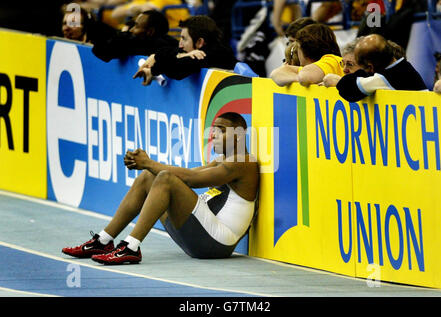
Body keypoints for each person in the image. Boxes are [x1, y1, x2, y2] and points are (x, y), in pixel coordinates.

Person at [62, 112, 259, 264]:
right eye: (214, 129)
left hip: (216, 245)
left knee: (163, 177)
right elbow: (186, 174)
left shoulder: (243, 162)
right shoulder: (224, 161)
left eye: (221, 130)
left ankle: (131, 247)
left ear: (239, 137)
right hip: (201, 238)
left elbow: (191, 179)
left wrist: (148, 162)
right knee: (150, 177)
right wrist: (147, 166)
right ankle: (103, 241)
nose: (214, 135)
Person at [133, 15, 237, 83]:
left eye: (184, 39)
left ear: (200, 42)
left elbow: (176, 70)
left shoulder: (215, 54)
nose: (180, 45)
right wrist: (155, 56)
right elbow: (173, 51)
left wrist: (154, 69)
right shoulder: (198, 50)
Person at [336, 34, 427, 102]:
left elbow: (348, 89)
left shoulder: (385, 78)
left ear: (370, 67)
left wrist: (337, 81)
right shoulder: (405, 66)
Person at [87, 9, 178, 62]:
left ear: (150, 32)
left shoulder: (137, 44)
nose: (131, 30)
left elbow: (100, 51)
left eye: (136, 26)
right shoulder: (170, 43)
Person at [270, 23, 343, 87]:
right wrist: (298, 78)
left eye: (297, 47)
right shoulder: (310, 69)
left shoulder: (332, 59)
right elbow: (275, 74)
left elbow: (304, 78)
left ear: (304, 48)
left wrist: (296, 77)